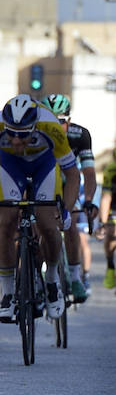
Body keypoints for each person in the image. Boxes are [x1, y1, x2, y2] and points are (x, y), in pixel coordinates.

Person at [0, 94, 79, 323]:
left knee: (48, 224)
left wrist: (67, 210)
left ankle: (52, 280)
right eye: (11, 133)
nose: (15, 140)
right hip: (11, 166)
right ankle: (8, 293)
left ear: (34, 127)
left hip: (44, 164)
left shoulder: (51, 128)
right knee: (6, 223)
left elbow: (73, 175)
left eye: (22, 135)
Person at [40, 93, 97, 301]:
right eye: (50, 121)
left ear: (69, 121)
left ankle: (74, 278)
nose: (55, 126)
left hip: (68, 182)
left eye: (60, 122)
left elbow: (89, 173)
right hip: (42, 179)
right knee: (35, 225)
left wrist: (89, 199)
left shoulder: (79, 135)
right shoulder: (36, 133)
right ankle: (35, 278)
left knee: (70, 224)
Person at [98, 148, 116, 291]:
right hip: (114, 204)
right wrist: (103, 224)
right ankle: (110, 265)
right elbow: (106, 197)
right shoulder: (111, 170)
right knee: (111, 233)